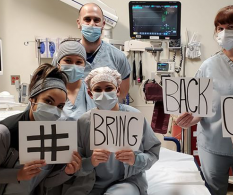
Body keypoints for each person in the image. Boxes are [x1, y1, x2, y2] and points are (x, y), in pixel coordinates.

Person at [175, 5, 233, 195]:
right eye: (220, 28)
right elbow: (198, 111)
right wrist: (189, 118)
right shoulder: (208, 67)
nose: (223, 33)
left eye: (230, 27)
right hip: (214, 144)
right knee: (214, 190)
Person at [0, 64, 82, 195]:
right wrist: (18, 174)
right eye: (48, 101)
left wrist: (67, 172)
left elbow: (46, 182)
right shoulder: (5, 133)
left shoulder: (56, 135)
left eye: (60, 106)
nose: (54, 110)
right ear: (32, 99)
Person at [68, 67, 161, 195]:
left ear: (117, 90)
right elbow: (75, 164)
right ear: (90, 94)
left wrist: (135, 159)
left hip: (126, 182)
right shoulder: (84, 122)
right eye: (98, 89)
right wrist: (91, 161)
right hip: (90, 183)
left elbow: (153, 153)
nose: (103, 93)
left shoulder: (133, 117)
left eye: (108, 88)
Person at [77, 3, 131, 100]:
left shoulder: (118, 57)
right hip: (74, 115)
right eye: (87, 19)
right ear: (79, 23)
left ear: (103, 24)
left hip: (107, 114)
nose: (92, 24)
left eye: (97, 20)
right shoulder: (64, 57)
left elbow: (122, 94)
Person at [52, 39, 95, 121]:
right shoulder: (47, 90)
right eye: (68, 61)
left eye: (79, 62)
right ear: (58, 64)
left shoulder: (93, 91)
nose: (73, 66)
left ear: (84, 66)